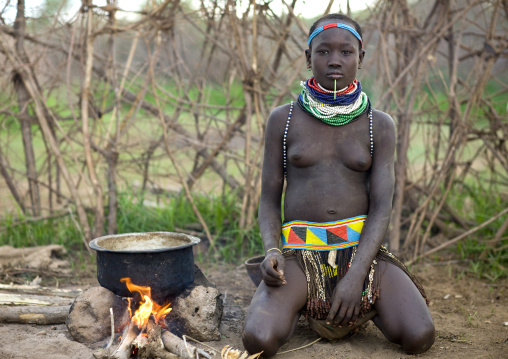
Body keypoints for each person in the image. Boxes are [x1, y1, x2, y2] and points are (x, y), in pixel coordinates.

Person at [242, 13, 435, 358]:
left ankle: (353, 301)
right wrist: (273, 251)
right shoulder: (283, 120)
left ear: (360, 58)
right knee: (259, 339)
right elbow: (269, 200)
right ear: (307, 57)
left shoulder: (379, 126)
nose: (334, 60)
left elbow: (381, 206)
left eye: (346, 52)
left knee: (420, 336)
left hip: (362, 253)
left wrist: (356, 275)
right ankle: (307, 299)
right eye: (323, 51)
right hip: (300, 254)